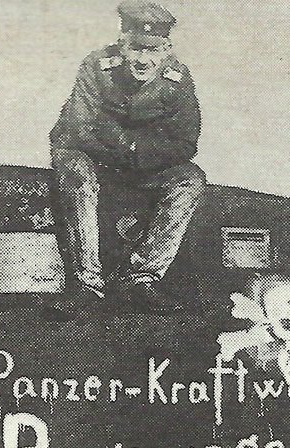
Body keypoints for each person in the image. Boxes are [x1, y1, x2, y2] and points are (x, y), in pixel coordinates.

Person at [49, 0, 205, 314]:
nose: (143, 60)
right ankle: (86, 282)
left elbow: (185, 143)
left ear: (167, 50)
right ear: (122, 45)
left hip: (138, 167)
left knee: (190, 179)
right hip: (92, 162)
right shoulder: (96, 66)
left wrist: (130, 146)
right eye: (135, 49)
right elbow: (78, 129)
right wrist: (131, 148)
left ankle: (142, 277)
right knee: (74, 168)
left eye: (153, 51)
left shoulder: (178, 80)